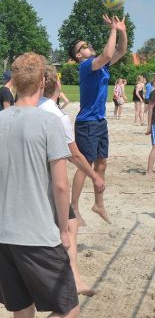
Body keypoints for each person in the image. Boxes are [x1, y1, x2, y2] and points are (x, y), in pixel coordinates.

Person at [0, 52, 79, 318]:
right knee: (69, 309)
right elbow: (60, 185)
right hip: (37, 235)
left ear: (14, 81)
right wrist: (65, 230)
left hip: (3, 235)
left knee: (22, 311)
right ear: (43, 82)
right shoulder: (49, 122)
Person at [39, 65, 105, 296]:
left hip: (28, 183)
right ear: (57, 85)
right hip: (48, 183)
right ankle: (74, 279)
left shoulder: (30, 108)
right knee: (69, 225)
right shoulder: (59, 117)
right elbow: (74, 155)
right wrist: (95, 175)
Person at [67, 14, 127, 225]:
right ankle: (73, 207)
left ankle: (98, 204)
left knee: (102, 163)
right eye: (83, 46)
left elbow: (120, 51)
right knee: (86, 165)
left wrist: (122, 31)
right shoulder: (86, 66)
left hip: (100, 122)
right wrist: (112, 29)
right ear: (78, 56)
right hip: (87, 123)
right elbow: (108, 52)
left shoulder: (101, 66)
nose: (87, 46)